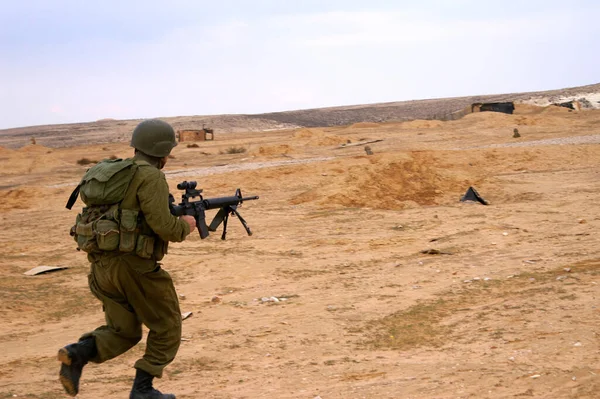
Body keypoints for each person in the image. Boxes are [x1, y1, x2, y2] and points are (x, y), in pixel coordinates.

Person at [58, 119, 196, 399]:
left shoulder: (115, 174)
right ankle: (142, 390)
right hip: (134, 268)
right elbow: (164, 227)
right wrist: (186, 224)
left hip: (101, 267)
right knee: (167, 325)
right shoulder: (151, 176)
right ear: (163, 151)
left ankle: (76, 353)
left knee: (124, 331)